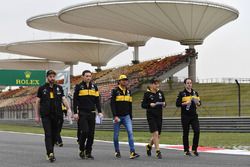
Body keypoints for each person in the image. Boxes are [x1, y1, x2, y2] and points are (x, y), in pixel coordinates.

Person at [35, 70, 72, 163]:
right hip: (46, 115)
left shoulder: (59, 88)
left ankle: (50, 151)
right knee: (48, 134)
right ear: (47, 77)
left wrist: (69, 109)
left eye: (53, 77)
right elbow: (37, 103)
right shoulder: (42, 88)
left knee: (55, 135)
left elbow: (64, 99)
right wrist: (37, 115)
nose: (52, 78)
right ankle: (50, 153)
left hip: (57, 115)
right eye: (50, 77)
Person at [73, 70, 103, 160]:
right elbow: (75, 100)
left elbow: (97, 100)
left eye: (90, 76)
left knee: (91, 134)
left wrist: (100, 111)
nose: (88, 77)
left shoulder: (94, 87)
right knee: (85, 131)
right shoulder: (78, 87)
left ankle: (88, 152)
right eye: (86, 76)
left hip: (92, 113)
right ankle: (81, 148)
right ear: (82, 77)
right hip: (82, 113)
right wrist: (75, 112)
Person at [110, 74, 140, 159]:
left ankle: (132, 152)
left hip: (126, 116)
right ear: (119, 81)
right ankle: (117, 151)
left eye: (126, 80)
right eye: (123, 80)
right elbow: (112, 104)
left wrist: (130, 116)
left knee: (130, 132)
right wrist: (115, 116)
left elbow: (130, 104)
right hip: (117, 117)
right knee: (116, 136)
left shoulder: (129, 91)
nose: (125, 81)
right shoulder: (115, 91)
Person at [141, 78, 166, 159]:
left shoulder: (160, 93)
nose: (157, 85)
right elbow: (143, 105)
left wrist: (164, 104)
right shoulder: (147, 94)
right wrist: (149, 105)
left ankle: (149, 146)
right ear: (151, 85)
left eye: (158, 83)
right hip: (151, 116)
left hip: (159, 115)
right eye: (155, 84)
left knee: (157, 135)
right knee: (155, 133)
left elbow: (164, 102)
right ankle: (158, 151)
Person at [176, 78, 201, 156]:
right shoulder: (181, 93)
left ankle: (194, 149)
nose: (189, 84)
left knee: (197, 131)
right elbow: (177, 104)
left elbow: (200, 103)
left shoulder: (195, 93)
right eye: (187, 83)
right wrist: (185, 103)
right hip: (185, 116)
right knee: (186, 133)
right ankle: (186, 150)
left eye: (190, 83)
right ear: (185, 84)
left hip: (194, 116)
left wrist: (197, 102)